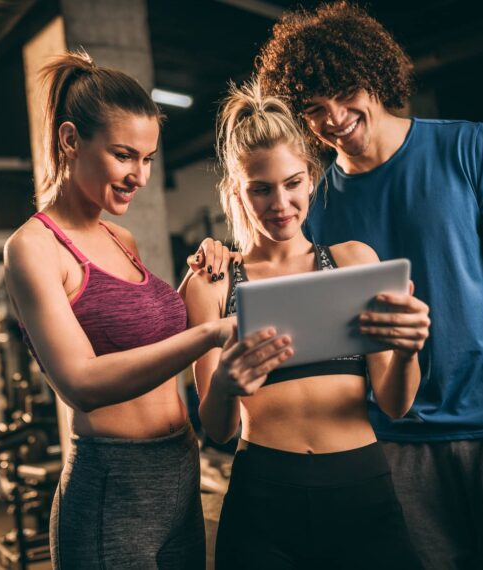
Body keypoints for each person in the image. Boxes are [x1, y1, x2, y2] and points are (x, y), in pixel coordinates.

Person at [255, 2, 483, 568]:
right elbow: (272, 268)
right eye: (312, 108)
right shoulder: (317, 205)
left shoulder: (473, 148)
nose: (333, 118)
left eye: (345, 92)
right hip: (393, 448)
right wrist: (215, 254)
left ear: (375, 75)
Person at [3, 51, 290, 569]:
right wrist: (212, 334)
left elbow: (148, 335)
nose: (140, 174)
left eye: (148, 158)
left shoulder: (120, 235)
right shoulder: (34, 248)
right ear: (70, 140)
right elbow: (83, 382)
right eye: (123, 155)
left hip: (178, 470)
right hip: (113, 487)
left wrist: (204, 269)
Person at [184, 79, 429, 569]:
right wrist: (227, 385)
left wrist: (406, 350)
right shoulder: (211, 284)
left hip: (361, 492)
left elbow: (395, 404)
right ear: (237, 190)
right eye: (261, 189)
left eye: (293, 183)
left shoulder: (355, 262)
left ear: (312, 178)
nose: (280, 204)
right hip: (264, 502)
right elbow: (218, 428)